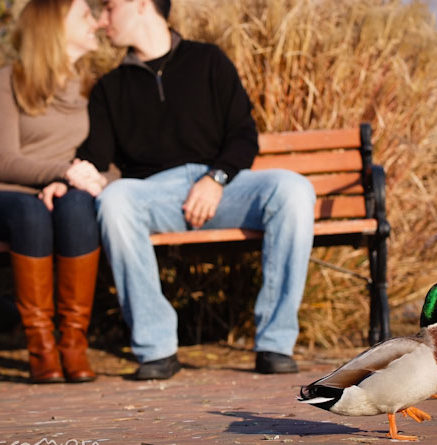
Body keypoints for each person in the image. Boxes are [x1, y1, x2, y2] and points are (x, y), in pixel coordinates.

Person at [73, 0, 316, 380]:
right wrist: (67, 174)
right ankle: (156, 349)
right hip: (155, 195)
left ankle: (274, 343)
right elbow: (95, 156)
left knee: (294, 190)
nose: (103, 20)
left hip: (225, 186)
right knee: (115, 199)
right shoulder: (110, 87)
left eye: (108, 8)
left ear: (140, 5)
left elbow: (242, 136)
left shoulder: (208, 60)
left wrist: (215, 178)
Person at [0, 0, 110, 383]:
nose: (97, 23)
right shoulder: (10, 79)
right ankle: (41, 350)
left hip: (69, 196)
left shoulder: (94, 87)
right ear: (54, 25)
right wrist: (63, 172)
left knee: (77, 204)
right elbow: (4, 160)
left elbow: (108, 161)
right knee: (31, 212)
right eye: (85, 14)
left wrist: (78, 181)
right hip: (7, 197)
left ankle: (73, 345)